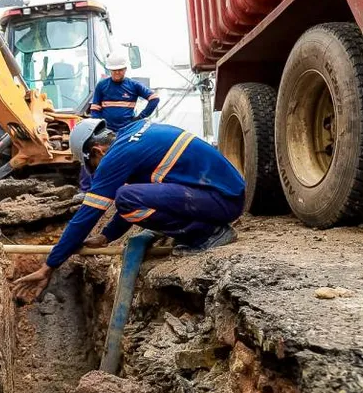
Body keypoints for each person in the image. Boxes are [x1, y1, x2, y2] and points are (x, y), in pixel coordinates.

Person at [13, 118, 246, 301]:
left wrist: (50, 265)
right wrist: (106, 236)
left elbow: (86, 216)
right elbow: (138, 193)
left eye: (91, 166)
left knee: (125, 197)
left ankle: (208, 234)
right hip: (225, 194)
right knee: (129, 196)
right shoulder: (133, 133)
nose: (95, 171)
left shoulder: (115, 156)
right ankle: (204, 229)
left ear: (97, 151)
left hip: (222, 201)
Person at [79, 54, 160, 192]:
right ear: (110, 71)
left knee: (128, 158)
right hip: (106, 131)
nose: (117, 73)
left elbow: (154, 98)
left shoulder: (133, 85)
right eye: (114, 70)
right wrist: (98, 129)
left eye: (120, 70)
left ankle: (127, 189)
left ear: (125, 69)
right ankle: (86, 190)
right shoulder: (102, 86)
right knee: (90, 154)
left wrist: (140, 117)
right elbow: (95, 110)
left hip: (126, 131)